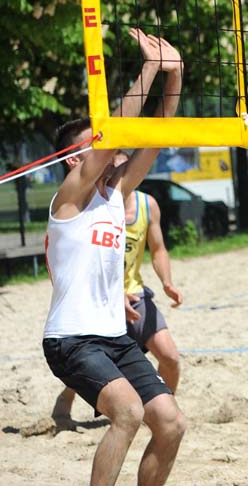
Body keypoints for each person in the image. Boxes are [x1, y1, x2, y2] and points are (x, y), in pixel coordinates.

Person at [43, 29, 187, 486]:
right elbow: (115, 132)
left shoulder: (116, 193)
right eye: (99, 142)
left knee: (171, 423)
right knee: (127, 412)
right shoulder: (70, 197)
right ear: (74, 159)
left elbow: (156, 135)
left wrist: (174, 76)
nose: (116, 146)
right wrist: (149, 68)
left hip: (114, 337)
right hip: (72, 340)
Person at [51, 151, 184, 431]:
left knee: (170, 357)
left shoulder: (146, 205)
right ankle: (66, 400)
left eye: (123, 167)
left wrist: (167, 282)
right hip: (100, 302)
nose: (117, 172)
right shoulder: (87, 206)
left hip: (136, 295)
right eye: (113, 165)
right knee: (94, 360)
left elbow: (158, 249)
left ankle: (161, 412)